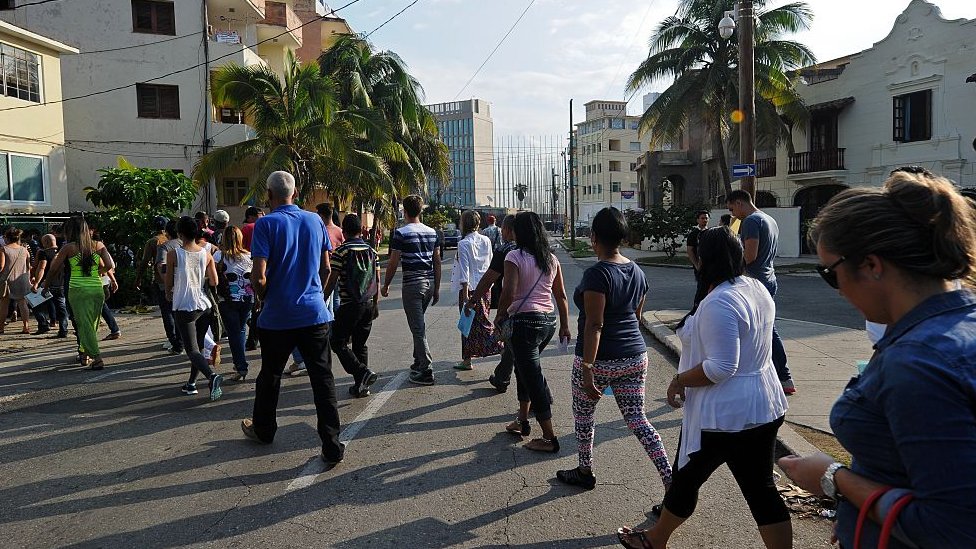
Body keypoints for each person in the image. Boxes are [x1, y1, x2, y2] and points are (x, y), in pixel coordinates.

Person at [779, 167, 976, 549]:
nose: (836, 291)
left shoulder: (916, 365)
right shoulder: (954, 323)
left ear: (871, 264)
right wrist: (860, 511)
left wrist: (833, 478)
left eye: (829, 273)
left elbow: (951, 530)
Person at [616, 227, 791, 549]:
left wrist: (679, 379)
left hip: (724, 415)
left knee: (687, 479)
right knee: (761, 489)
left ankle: (655, 540)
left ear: (703, 258)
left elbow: (721, 367)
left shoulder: (720, 301)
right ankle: (657, 538)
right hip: (763, 405)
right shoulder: (755, 287)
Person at [557, 207, 673, 493]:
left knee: (584, 417)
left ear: (594, 237)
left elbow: (595, 325)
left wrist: (587, 368)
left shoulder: (598, 274)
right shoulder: (637, 271)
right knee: (638, 420)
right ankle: (671, 482)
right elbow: (635, 316)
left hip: (600, 360)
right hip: (635, 356)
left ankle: (585, 470)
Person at [240, 171, 344, 468]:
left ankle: (264, 429)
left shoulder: (265, 224)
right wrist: (318, 298)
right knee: (322, 379)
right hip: (314, 314)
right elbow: (326, 269)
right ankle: (332, 444)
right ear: (295, 194)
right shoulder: (315, 221)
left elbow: (258, 276)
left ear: (269, 196)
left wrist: (263, 299)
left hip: (277, 317)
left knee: (270, 377)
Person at [494, 211, 571, 453]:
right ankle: (522, 420)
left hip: (525, 324)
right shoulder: (550, 259)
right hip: (547, 322)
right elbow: (561, 295)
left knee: (532, 376)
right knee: (524, 369)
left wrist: (499, 315)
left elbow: (509, 291)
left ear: (520, 232)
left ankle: (549, 437)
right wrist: (566, 326)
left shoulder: (514, 256)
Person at [727, 189, 795, 395]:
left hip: (755, 283)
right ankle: (779, 376)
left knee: (765, 331)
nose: (733, 214)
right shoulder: (769, 219)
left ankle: (783, 376)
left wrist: (730, 269)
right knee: (764, 329)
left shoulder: (750, 221)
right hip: (769, 279)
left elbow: (749, 256)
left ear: (740, 203)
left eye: (732, 209)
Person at [381, 195, 442, 386]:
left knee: (417, 328)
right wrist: (437, 287)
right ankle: (418, 362)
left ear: (404, 211)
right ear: (421, 210)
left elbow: (393, 261)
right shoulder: (432, 232)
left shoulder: (401, 233)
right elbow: (437, 261)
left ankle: (426, 369)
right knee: (419, 324)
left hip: (412, 286)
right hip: (429, 284)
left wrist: (386, 284)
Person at [43, 217, 115, 369]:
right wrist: (95, 272)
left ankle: (97, 357)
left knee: (83, 324)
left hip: (77, 290)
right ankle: (84, 352)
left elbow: (54, 269)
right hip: (96, 289)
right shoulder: (98, 245)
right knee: (92, 323)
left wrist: (46, 286)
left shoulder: (68, 248)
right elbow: (109, 265)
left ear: (70, 231)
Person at [166, 216, 223, 400]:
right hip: (204, 304)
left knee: (192, 350)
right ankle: (191, 384)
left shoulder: (174, 254)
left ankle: (212, 376)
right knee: (197, 348)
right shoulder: (206, 254)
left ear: (180, 234)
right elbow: (214, 281)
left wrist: (169, 293)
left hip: (184, 305)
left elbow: (168, 283)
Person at [323, 214, 380, 398]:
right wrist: (375, 304)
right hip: (368, 304)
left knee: (337, 341)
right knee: (360, 345)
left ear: (344, 231)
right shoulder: (372, 251)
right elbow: (376, 280)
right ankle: (361, 386)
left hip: (349, 305)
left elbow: (332, 279)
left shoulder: (341, 251)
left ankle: (362, 372)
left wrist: (323, 300)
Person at [465, 214, 517, 392]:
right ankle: (502, 378)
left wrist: (472, 300)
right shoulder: (533, 250)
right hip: (542, 310)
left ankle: (539, 400)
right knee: (514, 348)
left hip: (514, 306)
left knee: (526, 362)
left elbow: (490, 278)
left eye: (504, 229)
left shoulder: (505, 250)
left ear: (508, 230)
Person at [453, 210, 503, 370]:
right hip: (486, 287)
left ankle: (502, 348)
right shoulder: (486, 240)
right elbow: (490, 264)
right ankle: (466, 359)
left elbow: (465, 270)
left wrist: (466, 294)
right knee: (469, 323)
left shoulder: (463, 243)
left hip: (471, 289)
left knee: (478, 324)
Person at [216, 225, 254, 382]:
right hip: (247, 299)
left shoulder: (219, 256)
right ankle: (240, 363)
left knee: (234, 334)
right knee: (241, 330)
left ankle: (241, 366)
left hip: (228, 300)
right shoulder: (250, 256)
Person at [31, 234, 68, 337]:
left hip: (46, 284)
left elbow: (42, 268)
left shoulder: (43, 252)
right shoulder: (63, 251)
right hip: (61, 284)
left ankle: (43, 324)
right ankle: (63, 329)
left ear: (46, 242)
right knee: (61, 307)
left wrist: (36, 283)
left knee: (35, 304)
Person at [156, 220, 184, 354]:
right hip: (185, 285)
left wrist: (168, 284)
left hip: (168, 286)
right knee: (181, 314)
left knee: (168, 314)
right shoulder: (186, 244)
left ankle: (176, 343)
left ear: (167, 232)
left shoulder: (165, 247)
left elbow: (161, 266)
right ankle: (182, 341)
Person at [0, 228, 33, 334]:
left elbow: (1, 266)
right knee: (23, 304)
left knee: (4, 304)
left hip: (7, 280)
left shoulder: (3, 249)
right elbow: (28, 266)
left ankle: (1, 327)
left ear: (7, 238)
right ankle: (26, 326)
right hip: (22, 279)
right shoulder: (24, 250)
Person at [133, 215, 169, 305]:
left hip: (160, 279)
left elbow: (144, 262)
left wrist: (138, 279)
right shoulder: (174, 240)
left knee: (165, 309)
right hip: (176, 278)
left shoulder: (152, 241)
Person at [685, 210, 709, 274]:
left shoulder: (711, 232)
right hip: (700, 266)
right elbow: (690, 250)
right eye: (702, 218)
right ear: (698, 220)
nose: (705, 220)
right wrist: (696, 265)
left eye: (706, 218)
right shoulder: (693, 234)